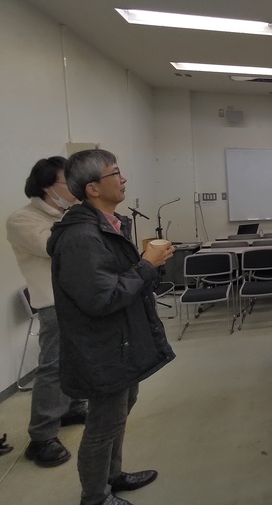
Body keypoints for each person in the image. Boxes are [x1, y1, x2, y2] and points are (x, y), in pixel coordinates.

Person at [47, 149, 176, 505]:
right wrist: (147, 265)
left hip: (122, 340)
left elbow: (119, 280)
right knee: (103, 426)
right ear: (92, 188)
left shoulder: (109, 224)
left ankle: (112, 476)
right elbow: (101, 298)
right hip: (102, 347)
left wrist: (150, 265)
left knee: (119, 413)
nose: (123, 179)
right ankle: (95, 497)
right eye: (115, 174)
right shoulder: (82, 237)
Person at [6, 156, 87, 468]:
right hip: (54, 303)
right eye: (69, 182)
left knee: (79, 358)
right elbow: (55, 246)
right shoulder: (23, 219)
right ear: (46, 187)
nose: (76, 188)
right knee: (53, 367)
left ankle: (72, 408)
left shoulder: (68, 214)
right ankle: (42, 437)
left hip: (79, 298)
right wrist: (83, 217)